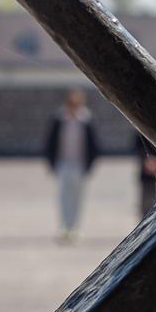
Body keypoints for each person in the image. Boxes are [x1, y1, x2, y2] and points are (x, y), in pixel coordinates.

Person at [44, 90, 99, 240]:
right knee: (63, 196)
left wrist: (89, 165)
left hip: (80, 164)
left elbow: (94, 145)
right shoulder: (59, 119)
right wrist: (51, 163)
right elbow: (50, 142)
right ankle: (64, 226)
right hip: (63, 163)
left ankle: (75, 227)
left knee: (78, 197)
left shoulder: (86, 120)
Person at [135, 132, 156, 219]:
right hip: (146, 173)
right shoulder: (141, 133)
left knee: (154, 202)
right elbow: (138, 145)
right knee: (146, 203)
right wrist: (146, 160)